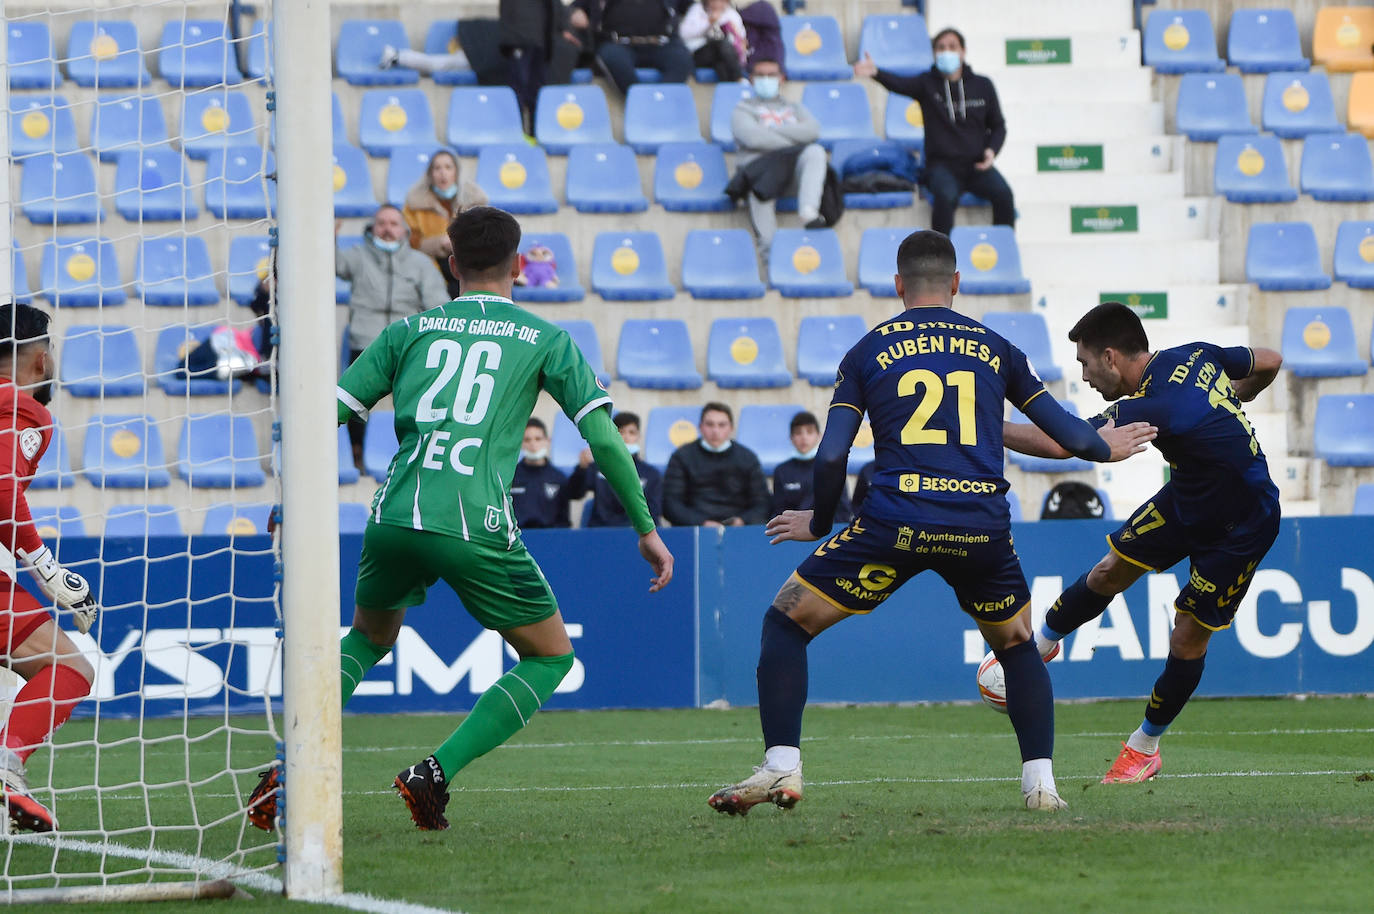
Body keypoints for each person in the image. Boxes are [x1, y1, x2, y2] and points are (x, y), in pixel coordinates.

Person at [250, 207, 674, 832]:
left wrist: (289, 498)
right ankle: (435, 771)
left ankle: (287, 769)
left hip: (394, 514)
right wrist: (645, 526)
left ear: (449, 265)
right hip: (475, 522)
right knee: (551, 657)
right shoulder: (546, 339)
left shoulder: (407, 331)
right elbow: (606, 441)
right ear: (520, 267)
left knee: (367, 640)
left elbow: (324, 418)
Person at [706, 232, 1156, 817]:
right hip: (980, 528)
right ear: (957, 284)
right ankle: (1041, 787)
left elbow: (828, 456)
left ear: (898, 285)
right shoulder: (997, 348)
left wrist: (819, 519)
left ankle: (782, 767)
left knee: (785, 623)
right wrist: (1106, 448)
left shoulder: (867, 352)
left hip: (895, 523)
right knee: (1018, 647)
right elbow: (1069, 434)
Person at [1004, 302, 1283, 784]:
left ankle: (1144, 747)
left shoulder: (1147, 405)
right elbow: (1272, 359)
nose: (1086, 376)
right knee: (1110, 570)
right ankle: (1039, 646)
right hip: (1189, 497)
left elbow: (1058, 444)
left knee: (1187, 634)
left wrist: (983, 429)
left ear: (1110, 358)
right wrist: (1236, 397)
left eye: (1085, 364)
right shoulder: (1195, 354)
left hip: (1243, 521)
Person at [0, 303, 96, 833]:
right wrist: (45, 567)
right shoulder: (23, 410)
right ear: (39, 358)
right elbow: (1, 488)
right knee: (70, 669)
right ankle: (6, 770)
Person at [854, 28, 1013, 236]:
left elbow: (998, 125)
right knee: (946, 197)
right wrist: (876, 73)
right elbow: (900, 84)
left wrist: (992, 151)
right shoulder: (926, 83)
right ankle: (941, 258)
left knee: (1004, 194)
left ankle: (1004, 249)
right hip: (941, 167)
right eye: (941, 48)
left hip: (977, 166)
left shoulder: (983, 85)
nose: (947, 51)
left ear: (963, 52)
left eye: (952, 47)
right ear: (934, 53)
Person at [336, 205, 450, 467]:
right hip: (365, 338)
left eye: (393, 223)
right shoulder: (358, 255)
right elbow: (335, 265)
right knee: (356, 395)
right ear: (372, 228)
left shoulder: (420, 263)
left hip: (406, 341)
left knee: (416, 398)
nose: (387, 229)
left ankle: (414, 451)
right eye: (382, 223)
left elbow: (437, 302)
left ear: (404, 230)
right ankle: (356, 452)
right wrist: (330, 237)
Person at [729, 57, 833, 258]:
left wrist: (772, 134)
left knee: (815, 152)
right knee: (768, 241)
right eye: (760, 75)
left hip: (792, 175)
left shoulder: (795, 108)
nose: (766, 79)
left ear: (781, 78)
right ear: (751, 79)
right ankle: (774, 278)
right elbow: (752, 137)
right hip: (761, 178)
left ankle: (808, 212)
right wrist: (795, 142)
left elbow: (813, 130)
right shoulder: (742, 109)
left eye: (771, 75)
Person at [663, 402, 771, 528]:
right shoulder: (681, 457)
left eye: (722, 425)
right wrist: (702, 522)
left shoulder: (748, 458)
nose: (715, 431)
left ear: (731, 428)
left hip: (738, 531)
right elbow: (670, 504)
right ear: (700, 427)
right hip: (695, 530)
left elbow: (762, 503)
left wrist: (742, 520)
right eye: (710, 424)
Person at [402, 149, 488, 299]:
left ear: (456, 172)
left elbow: (485, 237)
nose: (443, 173)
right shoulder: (415, 205)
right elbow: (409, 241)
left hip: (468, 263)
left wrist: (457, 243)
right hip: (432, 264)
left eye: (448, 167)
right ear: (430, 174)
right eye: (437, 168)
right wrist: (438, 243)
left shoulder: (474, 202)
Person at [569, 0, 694, 95]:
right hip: (619, 45)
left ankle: (662, 100)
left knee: (682, 60)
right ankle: (639, 102)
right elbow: (573, 9)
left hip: (662, 44)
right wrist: (574, 12)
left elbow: (692, 7)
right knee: (613, 57)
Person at [566, 411, 664, 527]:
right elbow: (575, 493)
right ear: (613, 435)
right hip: (601, 532)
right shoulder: (598, 466)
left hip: (634, 533)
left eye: (631, 433)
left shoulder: (651, 474)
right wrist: (582, 469)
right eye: (621, 432)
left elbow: (654, 512)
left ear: (638, 436)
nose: (626, 437)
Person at [771, 410, 852, 522]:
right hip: (792, 533)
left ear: (819, 436)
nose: (804, 437)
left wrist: (819, 528)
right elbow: (779, 511)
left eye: (809, 432)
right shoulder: (781, 471)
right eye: (798, 433)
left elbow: (843, 512)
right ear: (791, 438)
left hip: (828, 532)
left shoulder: (833, 468)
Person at [511, 418, 572, 529]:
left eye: (538, 439)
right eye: (527, 440)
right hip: (517, 539)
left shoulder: (559, 478)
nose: (533, 444)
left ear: (547, 441)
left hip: (551, 540)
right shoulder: (510, 477)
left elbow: (564, 521)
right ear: (521, 443)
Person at [679, 0, 746, 83]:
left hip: (723, 56)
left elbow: (741, 40)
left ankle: (730, 91)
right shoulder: (697, 10)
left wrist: (733, 31)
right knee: (721, 44)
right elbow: (684, 34)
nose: (717, 3)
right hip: (699, 53)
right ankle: (739, 78)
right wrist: (708, 22)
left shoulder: (731, 14)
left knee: (721, 66)